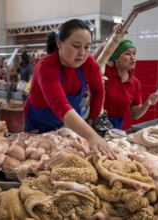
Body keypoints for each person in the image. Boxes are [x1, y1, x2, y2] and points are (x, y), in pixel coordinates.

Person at [23, 19, 116, 159]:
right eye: (76, 46)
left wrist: (92, 120)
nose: (82, 53)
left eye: (87, 47)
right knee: (38, 159)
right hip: (40, 125)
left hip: (71, 126)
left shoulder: (89, 64)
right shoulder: (46, 66)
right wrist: (91, 135)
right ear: (60, 44)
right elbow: (60, 104)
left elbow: (98, 90)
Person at [96, 23, 158, 129]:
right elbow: (93, 62)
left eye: (134, 53)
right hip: (95, 123)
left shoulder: (135, 83)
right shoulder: (104, 72)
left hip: (116, 127)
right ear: (116, 58)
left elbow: (135, 114)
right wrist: (111, 39)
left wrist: (148, 103)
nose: (133, 58)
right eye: (127, 53)